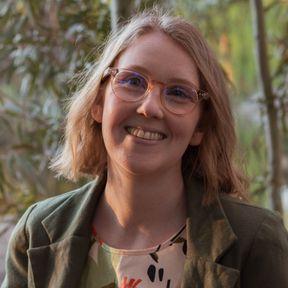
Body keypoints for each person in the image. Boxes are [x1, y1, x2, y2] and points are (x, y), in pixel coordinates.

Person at [2, 9, 288, 288]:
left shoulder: (255, 240)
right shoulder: (38, 234)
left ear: (200, 127)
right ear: (98, 102)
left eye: (178, 93)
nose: (149, 107)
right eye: (133, 81)